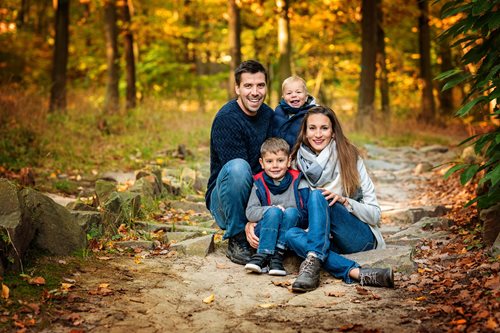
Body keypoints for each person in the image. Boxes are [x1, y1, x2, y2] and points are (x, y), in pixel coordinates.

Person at [285, 105, 394, 292]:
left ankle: (312, 263)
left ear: (333, 132)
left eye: (324, 128)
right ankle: (358, 274)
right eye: (312, 128)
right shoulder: (295, 162)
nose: (318, 134)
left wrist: (345, 201)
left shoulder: (350, 157)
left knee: (319, 195)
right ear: (304, 132)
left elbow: (375, 215)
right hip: (324, 240)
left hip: (357, 236)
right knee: (290, 235)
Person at [205, 60, 274, 266]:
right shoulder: (227, 119)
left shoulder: (269, 115)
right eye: (248, 86)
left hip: (258, 196)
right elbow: (239, 179)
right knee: (238, 167)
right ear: (237, 88)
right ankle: (236, 237)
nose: (255, 92)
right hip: (225, 201)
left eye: (260, 85)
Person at [244, 137, 309, 276]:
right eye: (269, 161)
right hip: (266, 230)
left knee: (291, 212)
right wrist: (270, 209)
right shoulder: (258, 183)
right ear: (262, 163)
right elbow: (250, 212)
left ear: (289, 160)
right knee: (273, 212)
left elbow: (306, 211)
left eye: (280, 160)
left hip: (290, 231)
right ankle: (262, 255)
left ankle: (276, 257)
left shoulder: (298, 181)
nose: (275, 165)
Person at [272, 75, 317, 149]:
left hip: (301, 153)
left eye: (298, 92)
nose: (294, 95)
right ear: (283, 97)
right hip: (281, 154)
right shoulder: (278, 111)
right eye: (289, 93)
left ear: (306, 97)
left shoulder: (312, 113)